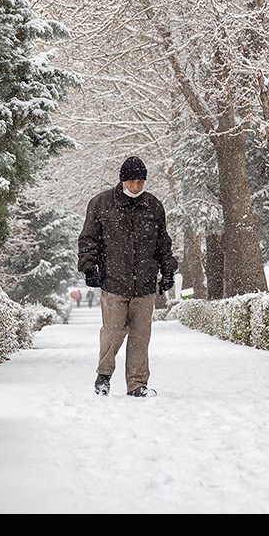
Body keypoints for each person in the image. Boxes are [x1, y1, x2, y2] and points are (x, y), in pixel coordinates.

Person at [77, 156, 178, 398]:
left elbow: (163, 244)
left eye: (140, 181)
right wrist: (90, 268)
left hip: (144, 283)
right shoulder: (101, 204)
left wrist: (168, 271)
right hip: (114, 281)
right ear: (122, 180)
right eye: (132, 181)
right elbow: (88, 239)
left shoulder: (153, 206)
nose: (136, 186)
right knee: (113, 331)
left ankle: (137, 384)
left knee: (141, 336)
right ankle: (103, 375)